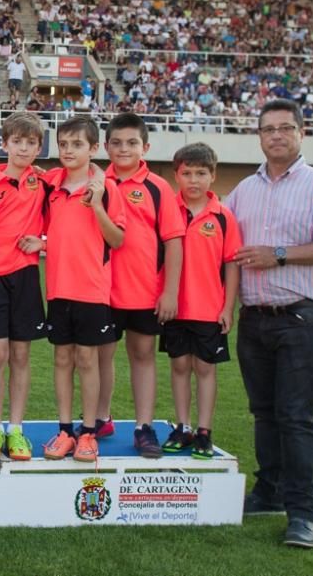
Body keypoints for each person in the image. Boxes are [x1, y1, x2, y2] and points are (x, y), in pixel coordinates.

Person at [227, 99, 313, 549]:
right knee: (264, 413)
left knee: (296, 416)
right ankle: (269, 491)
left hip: (302, 316)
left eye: (285, 128)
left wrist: (277, 255)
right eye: (268, 129)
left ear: (301, 132)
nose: (276, 136)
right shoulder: (244, 190)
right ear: (259, 137)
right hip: (255, 318)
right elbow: (220, 238)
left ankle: (303, 513)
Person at [26, 116, 125, 463]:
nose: (68, 150)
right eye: (64, 144)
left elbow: (118, 238)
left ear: (93, 149)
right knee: (62, 358)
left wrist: (97, 205)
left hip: (93, 290)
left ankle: (88, 432)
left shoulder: (106, 188)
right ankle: (65, 430)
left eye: (77, 144)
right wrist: (39, 243)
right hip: (58, 289)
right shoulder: (52, 184)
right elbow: (54, 232)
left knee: (87, 359)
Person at [98, 112, 185, 458]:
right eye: (116, 143)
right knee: (101, 355)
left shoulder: (158, 187)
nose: (123, 149)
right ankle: (99, 418)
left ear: (145, 146)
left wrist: (170, 291)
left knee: (143, 355)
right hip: (101, 289)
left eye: (131, 142)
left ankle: (143, 426)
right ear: (105, 146)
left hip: (144, 290)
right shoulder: (95, 180)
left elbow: (174, 241)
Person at [0, 112, 48, 461]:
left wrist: (43, 243)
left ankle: (16, 429)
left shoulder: (44, 183)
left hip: (27, 276)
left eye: (31, 142)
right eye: (17, 141)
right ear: (4, 144)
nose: (23, 147)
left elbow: (66, 221)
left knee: (20, 355)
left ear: (38, 148)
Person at [160, 143, 241, 460]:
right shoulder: (168, 210)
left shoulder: (223, 217)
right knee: (179, 366)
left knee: (205, 368)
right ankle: (182, 427)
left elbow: (232, 264)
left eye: (201, 173)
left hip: (209, 309)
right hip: (175, 307)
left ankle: (204, 431)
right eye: (187, 173)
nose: (194, 180)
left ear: (213, 175)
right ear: (177, 175)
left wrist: (227, 307)